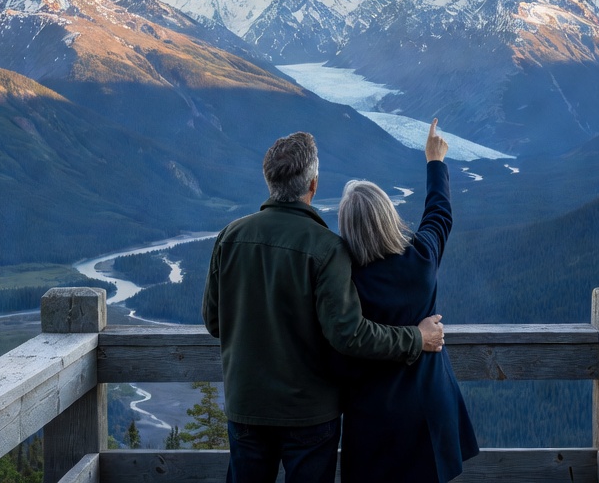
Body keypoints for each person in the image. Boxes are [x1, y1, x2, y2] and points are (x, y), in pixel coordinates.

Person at [202, 131, 446, 483]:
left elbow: (214, 321)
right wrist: (415, 338)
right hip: (309, 414)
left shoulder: (230, 236)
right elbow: (349, 334)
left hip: (247, 406)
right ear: (313, 185)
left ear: (269, 181)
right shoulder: (328, 248)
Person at [337, 119, 480, 483]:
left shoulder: (344, 276)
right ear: (388, 215)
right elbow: (439, 213)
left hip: (372, 414)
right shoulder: (421, 256)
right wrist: (435, 160)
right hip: (428, 407)